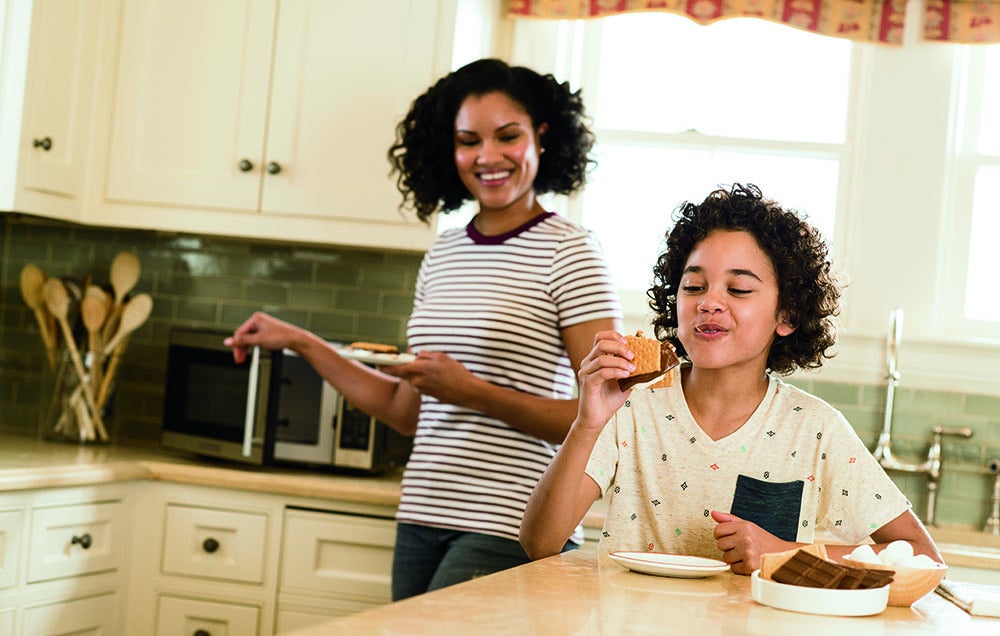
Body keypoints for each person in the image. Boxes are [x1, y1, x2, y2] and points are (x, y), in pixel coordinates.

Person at [226, 59, 622, 599]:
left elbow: (601, 418)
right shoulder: (443, 253)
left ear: (542, 137)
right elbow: (409, 411)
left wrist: (473, 392)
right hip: (421, 515)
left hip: (510, 523)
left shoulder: (571, 251)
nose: (487, 157)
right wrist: (302, 342)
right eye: (468, 140)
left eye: (508, 136)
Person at [519, 183, 941, 573]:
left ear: (788, 315)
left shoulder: (815, 430)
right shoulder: (629, 407)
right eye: (693, 287)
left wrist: (784, 551)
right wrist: (587, 421)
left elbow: (921, 554)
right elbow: (540, 544)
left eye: (738, 290)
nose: (709, 303)